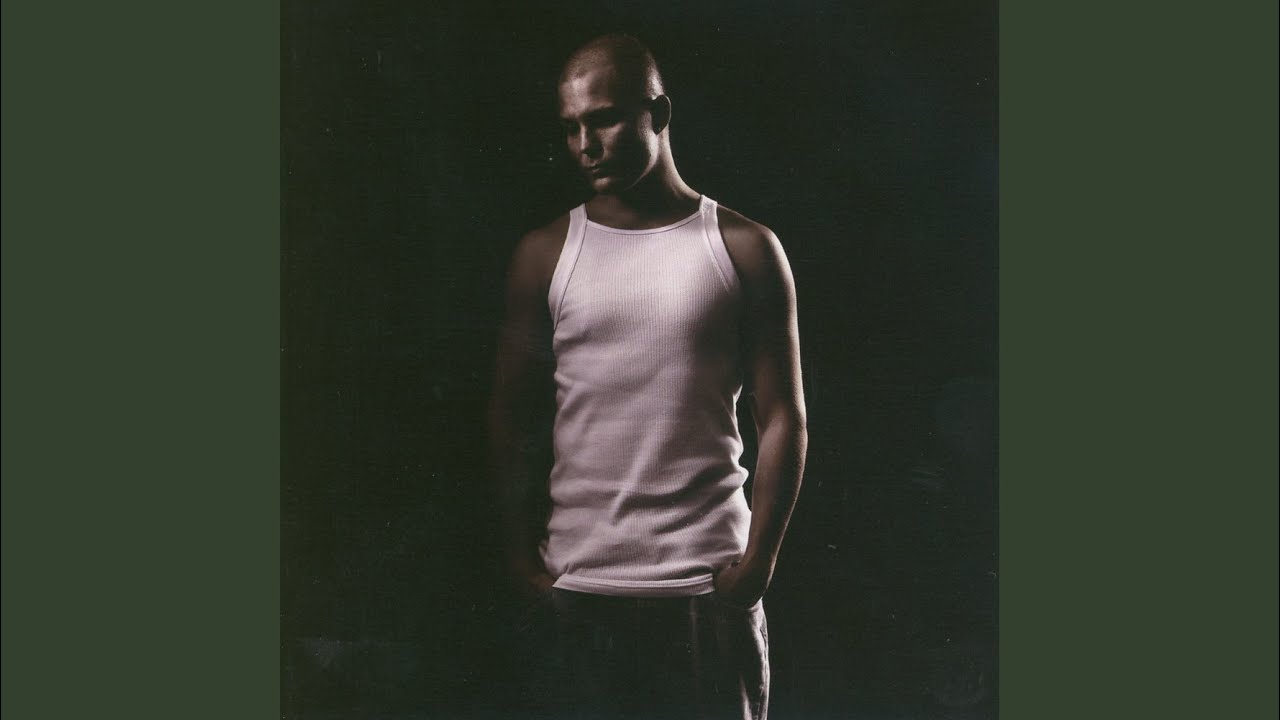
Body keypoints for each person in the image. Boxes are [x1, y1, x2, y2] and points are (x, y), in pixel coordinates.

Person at [488, 33, 807, 720]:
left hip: (704, 590)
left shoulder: (745, 247)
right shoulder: (545, 253)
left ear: (657, 114)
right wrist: (521, 558)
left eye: (603, 120)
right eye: (570, 127)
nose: (585, 145)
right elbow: (510, 414)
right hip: (578, 588)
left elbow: (783, 415)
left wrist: (758, 565)